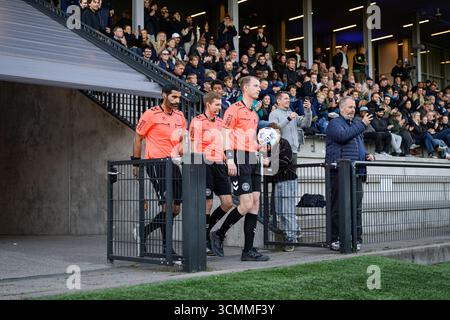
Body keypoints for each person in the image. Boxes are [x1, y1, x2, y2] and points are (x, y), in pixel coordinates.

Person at [210, 76, 270, 262]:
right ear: (245, 88)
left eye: (259, 86)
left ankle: (248, 250)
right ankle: (219, 233)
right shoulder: (233, 109)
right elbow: (225, 134)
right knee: (245, 204)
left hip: (253, 158)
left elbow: (250, 137)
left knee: (255, 203)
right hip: (238, 157)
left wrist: (260, 149)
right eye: (255, 86)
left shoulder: (253, 113)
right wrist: (229, 159)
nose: (259, 89)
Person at [131, 84, 186, 254]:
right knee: (167, 206)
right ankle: (166, 248)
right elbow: (138, 139)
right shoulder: (150, 114)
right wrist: (135, 163)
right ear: (164, 95)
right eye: (173, 97)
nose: (177, 101)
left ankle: (143, 232)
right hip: (156, 163)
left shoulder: (180, 116)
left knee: (176, 208)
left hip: (174, 164)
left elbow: (183, 139)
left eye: (179, 97)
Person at [325, 96, 375, 252]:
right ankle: (336, 239)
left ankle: (355, 238)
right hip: (340, 173)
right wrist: (362, 124)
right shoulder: (335, 123)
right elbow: (342, 137)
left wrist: (366, 154)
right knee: (338, 207)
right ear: (341, 108)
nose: (353, 110)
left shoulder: (355, 125)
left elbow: (357, 145)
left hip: (356, 172)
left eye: (354, 107)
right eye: (349, 107)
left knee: (356, 208)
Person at [189, 92, 233, 256]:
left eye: (220, 104)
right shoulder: (197, 121)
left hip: (220, 165)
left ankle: (206, 230)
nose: (219, 107)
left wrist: (229, 160)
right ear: (208, 104)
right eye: (216, 104)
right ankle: (204, 239)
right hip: (204, 165)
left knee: (227, 203)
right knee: (207, 204)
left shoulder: (221, 123)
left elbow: (227, 145)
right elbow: (192, 146)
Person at [262, 123, 299, 252]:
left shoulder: (285, 143)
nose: (276, 134)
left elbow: (286, 160)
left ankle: (291, 237)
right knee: (280, 211)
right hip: (277, 181)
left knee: (287, 211)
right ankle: (294, 232)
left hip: (288, 179)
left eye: (277, 131)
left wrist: (270, 162)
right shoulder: (268, 146)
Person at [268, 92, 312, 164]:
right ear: (278, 101)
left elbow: (306, 124)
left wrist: (308, 111)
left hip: (294, 151)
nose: (288, 100)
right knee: (282, 175)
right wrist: (288, 119)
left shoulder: (292, 113)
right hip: (281, 151)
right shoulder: (274, 114)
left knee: (292, 175)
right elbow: (274, 129)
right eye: (285, 98)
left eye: (289, 98)